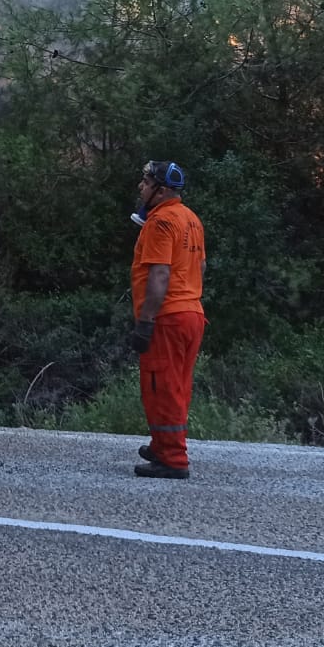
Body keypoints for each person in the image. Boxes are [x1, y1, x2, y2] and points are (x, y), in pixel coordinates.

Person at [128, 160, 206, 480]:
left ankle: (173, 458)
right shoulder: (191, 219)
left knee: (160, 385)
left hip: (168, 318)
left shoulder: (160, 222)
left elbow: (159, 275)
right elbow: (200, 269)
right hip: (193, 315)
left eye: (146, 182)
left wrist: (146, 321)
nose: (141, 187)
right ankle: (163, 445)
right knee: (177, 385)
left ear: (160, 191)